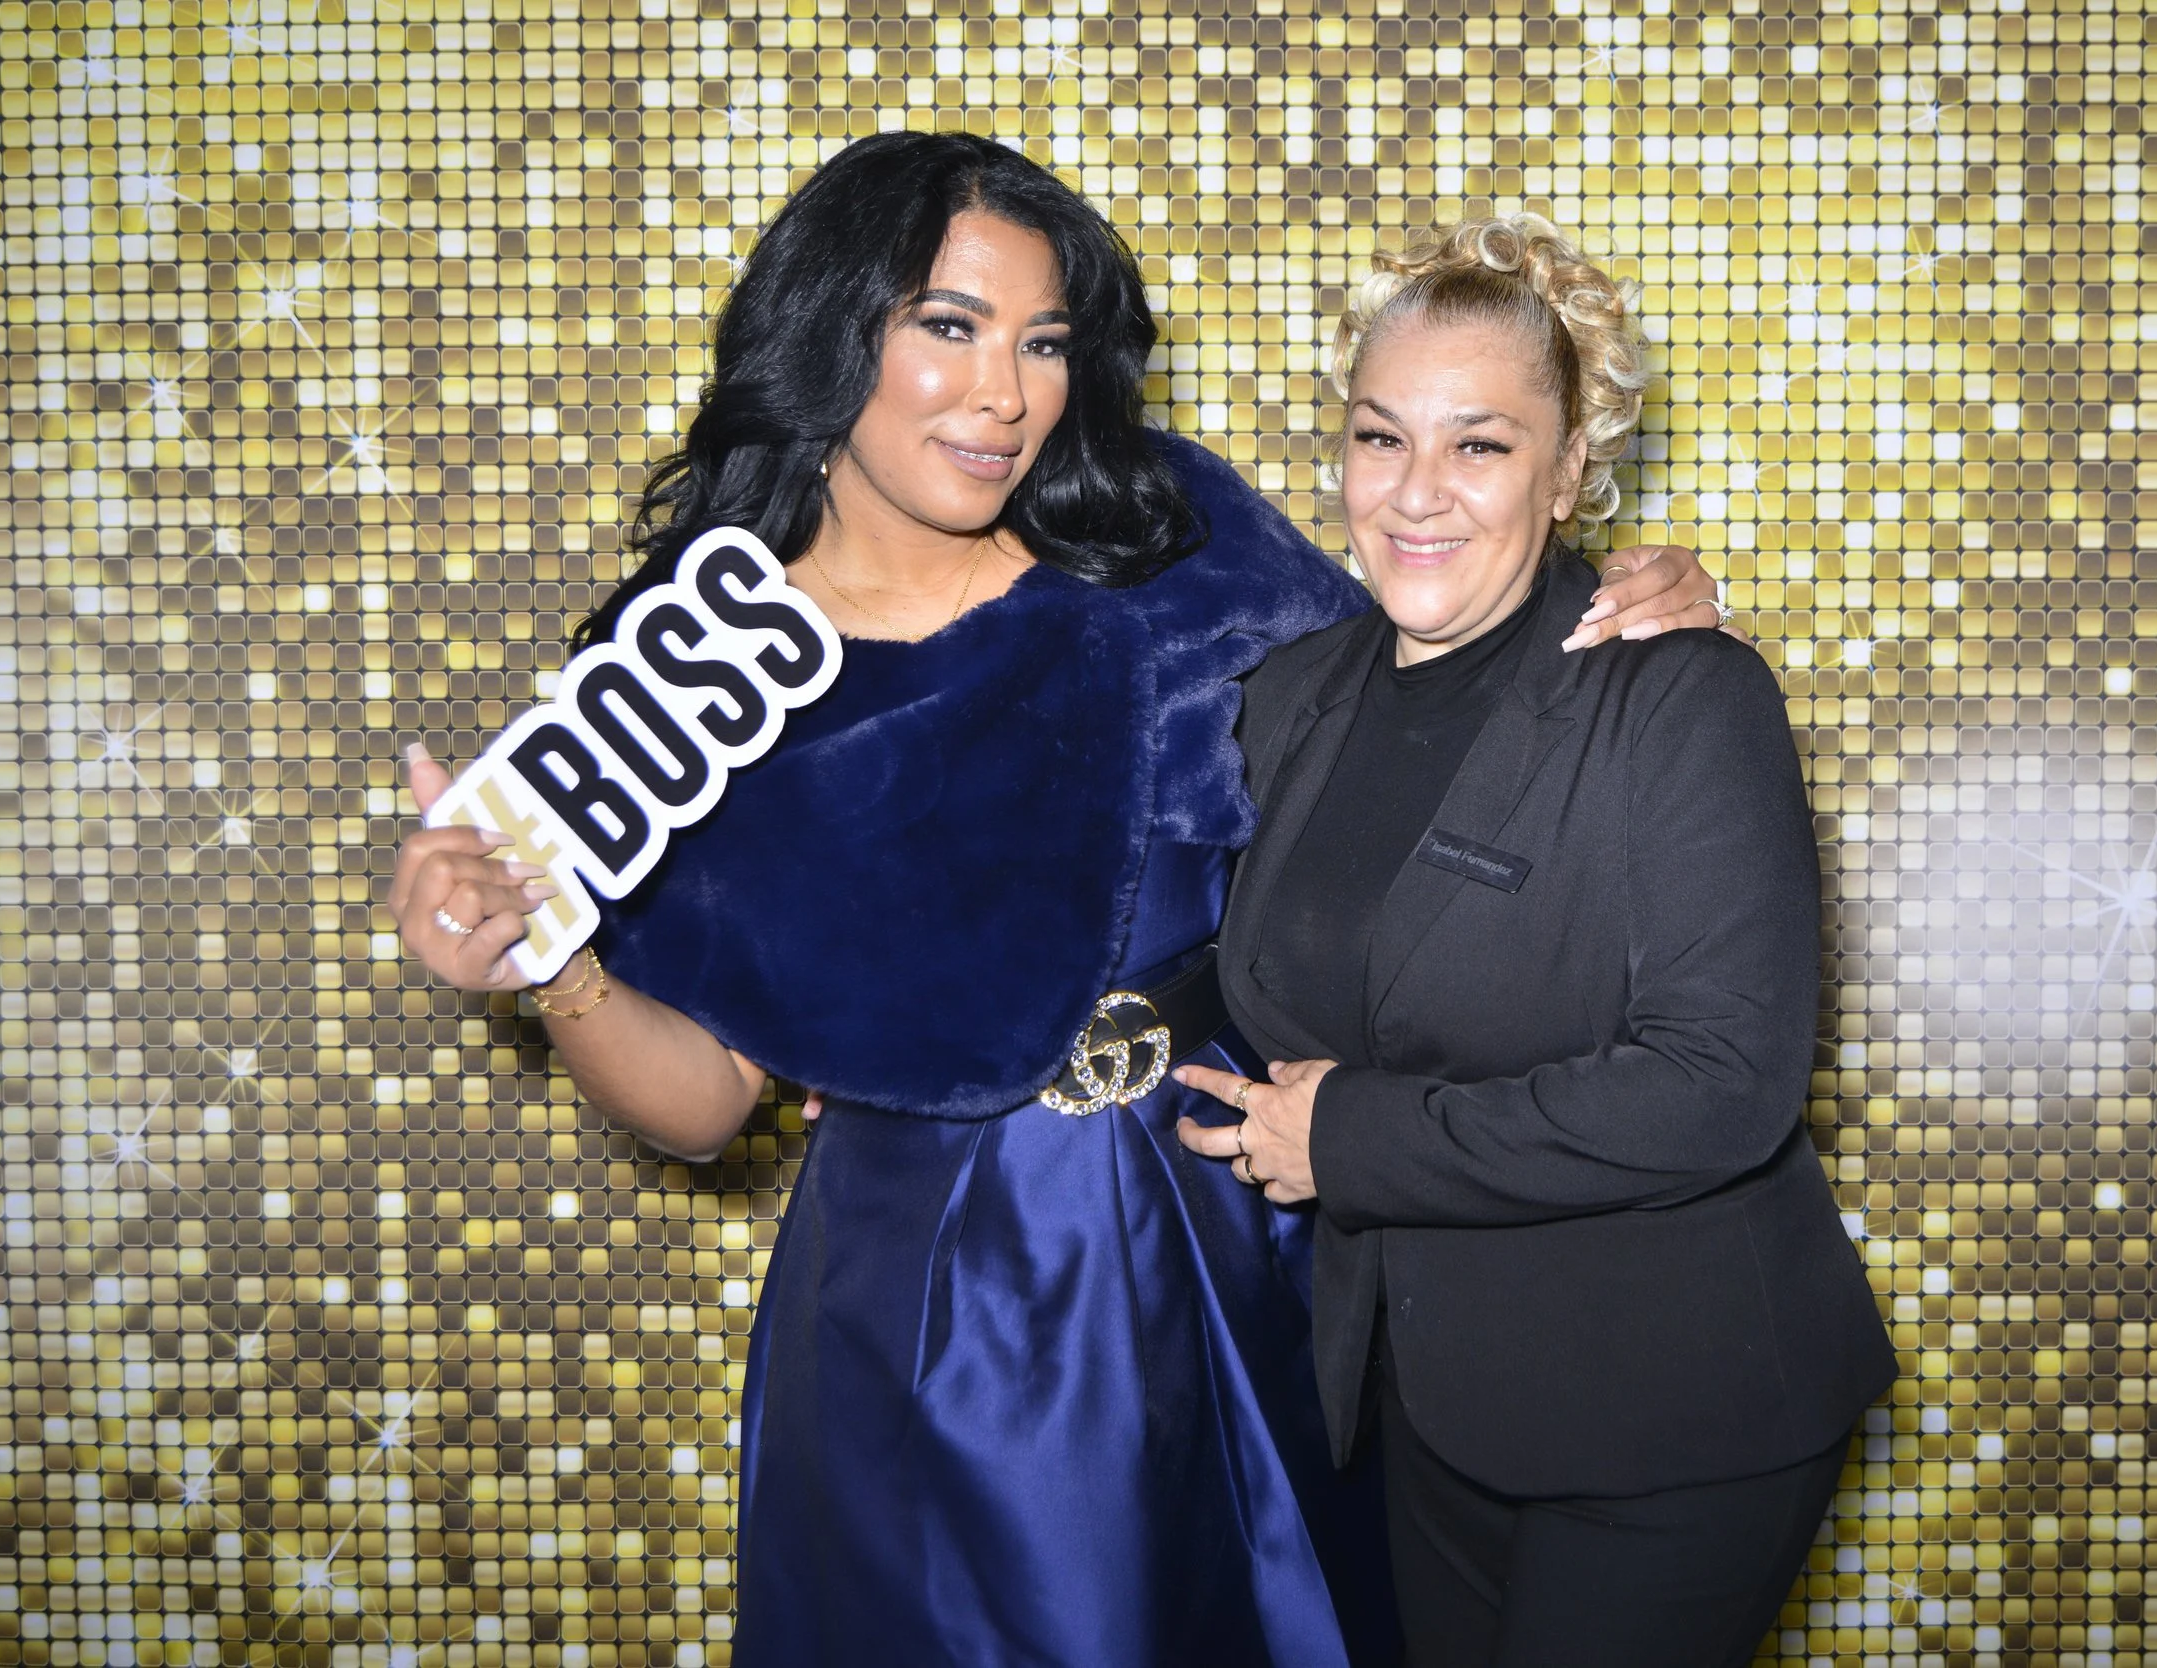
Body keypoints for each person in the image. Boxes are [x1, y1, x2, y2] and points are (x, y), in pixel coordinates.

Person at [386, 140, 1725, 1664]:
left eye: (1043, 342)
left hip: (1265, 1215)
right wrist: (552, 959)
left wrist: (1619, 598)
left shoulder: (1162, 531)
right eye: (949, 327)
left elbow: (1425, 699)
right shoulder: (695, 682)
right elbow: (704, 1106)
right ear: (834, 330)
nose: (1008, 394)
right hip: (943, 1294)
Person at [1177, 216, 1897, 1668]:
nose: (1417, 494)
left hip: (1675, 1416)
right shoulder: (1294, 693)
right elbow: (1170, 931)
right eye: (1382, 439)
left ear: (1572, 470)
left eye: (1481, 446)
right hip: (1420, 1401)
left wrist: (1356, 1143)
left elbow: (1721, 1083)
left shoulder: (1677, 695)